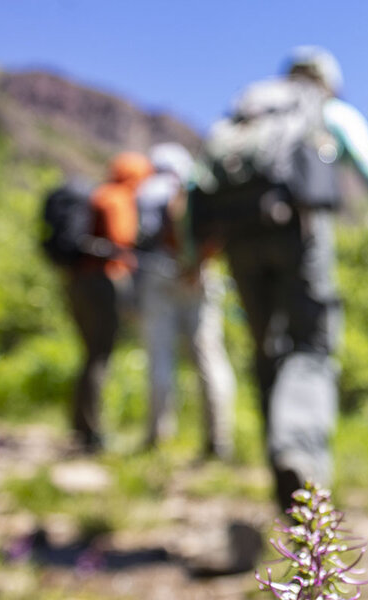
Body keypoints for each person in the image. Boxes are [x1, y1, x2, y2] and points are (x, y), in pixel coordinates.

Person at [191, 46, 368, 510]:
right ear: (327, 80)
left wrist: (193, 256)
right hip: (300, 232)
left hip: (239, 240)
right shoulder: (327, 110)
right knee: (312, 345)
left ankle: (282, 475)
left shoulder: (245, 114)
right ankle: (299, 459)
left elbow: (196, 181)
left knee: (267, 352)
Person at [136, 142, 236, 460]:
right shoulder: (196, 187)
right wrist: (197, 263)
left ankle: (158, 436)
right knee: (210, 355)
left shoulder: (145, 191)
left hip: (157, 275)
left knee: (160, 356)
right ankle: (219, 440)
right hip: (200, 276)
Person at [67, 151, 153, 452]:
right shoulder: (117, 198)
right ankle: (92, 432)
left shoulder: (98, 194)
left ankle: (81, 426)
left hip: (78, 282)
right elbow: (121, 237)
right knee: (100, 355)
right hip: (102, 282)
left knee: (89, 354)